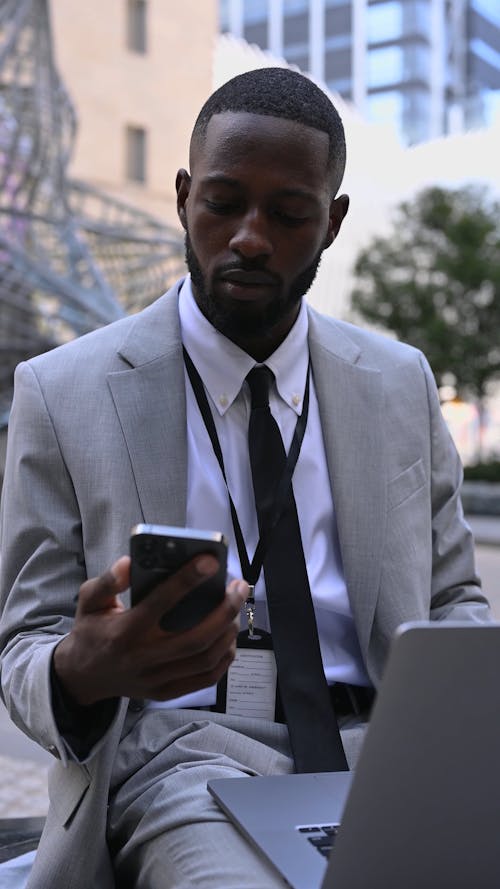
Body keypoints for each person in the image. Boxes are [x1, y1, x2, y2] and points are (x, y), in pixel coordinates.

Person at [0, 67, 490, 889]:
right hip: (184, 761)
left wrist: (457, 720)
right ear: (184, 196)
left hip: (385, 753)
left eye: (289, 212)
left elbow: (453, 602)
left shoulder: (400, 382)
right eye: (224, 203)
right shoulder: (63, 390)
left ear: (331, 223)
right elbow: (23, 644)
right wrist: (82, 669)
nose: (251, 237)